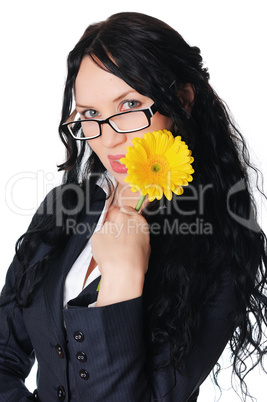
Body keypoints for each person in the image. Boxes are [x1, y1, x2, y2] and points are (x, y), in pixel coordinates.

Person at [0, 11, 266, 402]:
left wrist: (123, 278)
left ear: (182, 101)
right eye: (91, 115)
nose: (108, 140)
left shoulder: (222, 243)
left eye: (128, 104)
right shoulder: (64, 206)